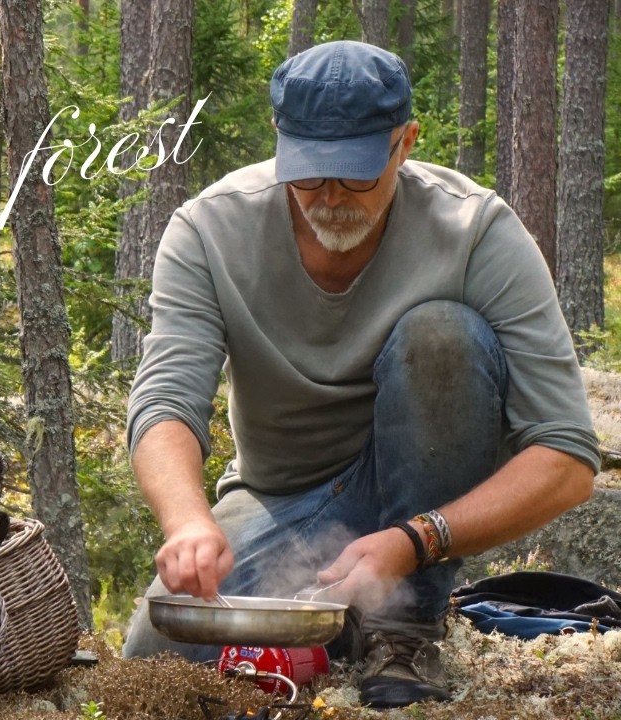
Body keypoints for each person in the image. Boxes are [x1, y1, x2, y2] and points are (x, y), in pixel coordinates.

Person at [121, 40, 600, 709]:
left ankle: (405, 627)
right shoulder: (209, 229)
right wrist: (188, 523)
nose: (330, 199)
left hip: (428, 497)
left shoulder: (476, 229)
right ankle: (344, 620)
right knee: (156, 655)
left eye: (355, 176)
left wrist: (414, 541)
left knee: (440, 336)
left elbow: (568, 457)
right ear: (278, 140)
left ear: (405, 143)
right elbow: (166, 399)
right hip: (285, 499)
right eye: (310, 175)